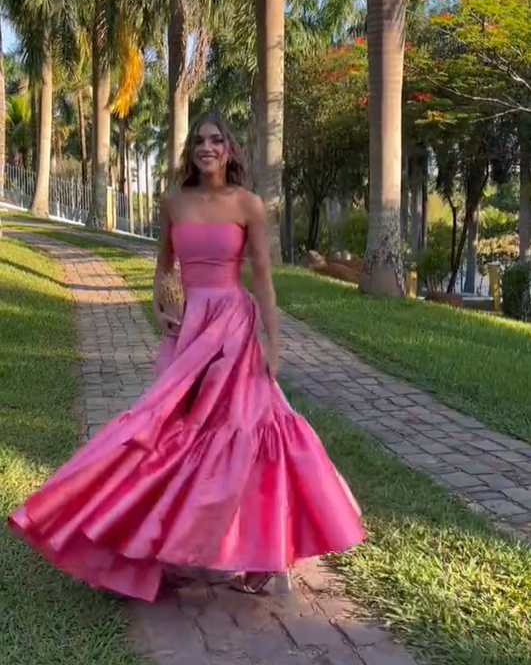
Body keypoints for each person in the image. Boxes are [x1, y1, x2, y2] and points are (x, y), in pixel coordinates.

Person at [8, 112, 364, 601]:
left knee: (246, 430)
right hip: (190, 329)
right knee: (168, 431)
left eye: (216, 140)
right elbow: (164, 266)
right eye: (199, 140)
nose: (207, 147)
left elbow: (262, 278)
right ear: (191, 151)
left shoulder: (247, 204)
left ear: (230, 149)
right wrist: (160, 304)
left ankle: (260, 553)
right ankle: (157, 543)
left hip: (234, 327)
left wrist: (273, 342)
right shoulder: (173, 202)